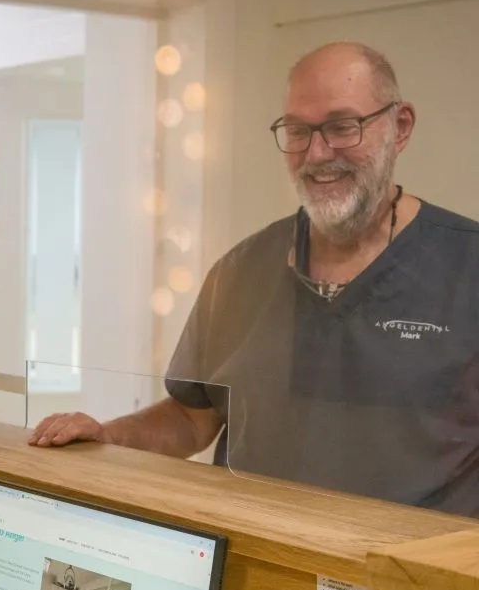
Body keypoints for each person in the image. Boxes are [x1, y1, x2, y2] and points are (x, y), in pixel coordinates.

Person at [29, 42, 479, 514]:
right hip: (258, 574)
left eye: (343, 126)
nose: (318, 153)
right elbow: (191, 417)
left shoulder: (465, 267)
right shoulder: (240, 273)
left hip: (410, 582)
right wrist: (108, 435)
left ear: (399, 127)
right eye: (298, 130)